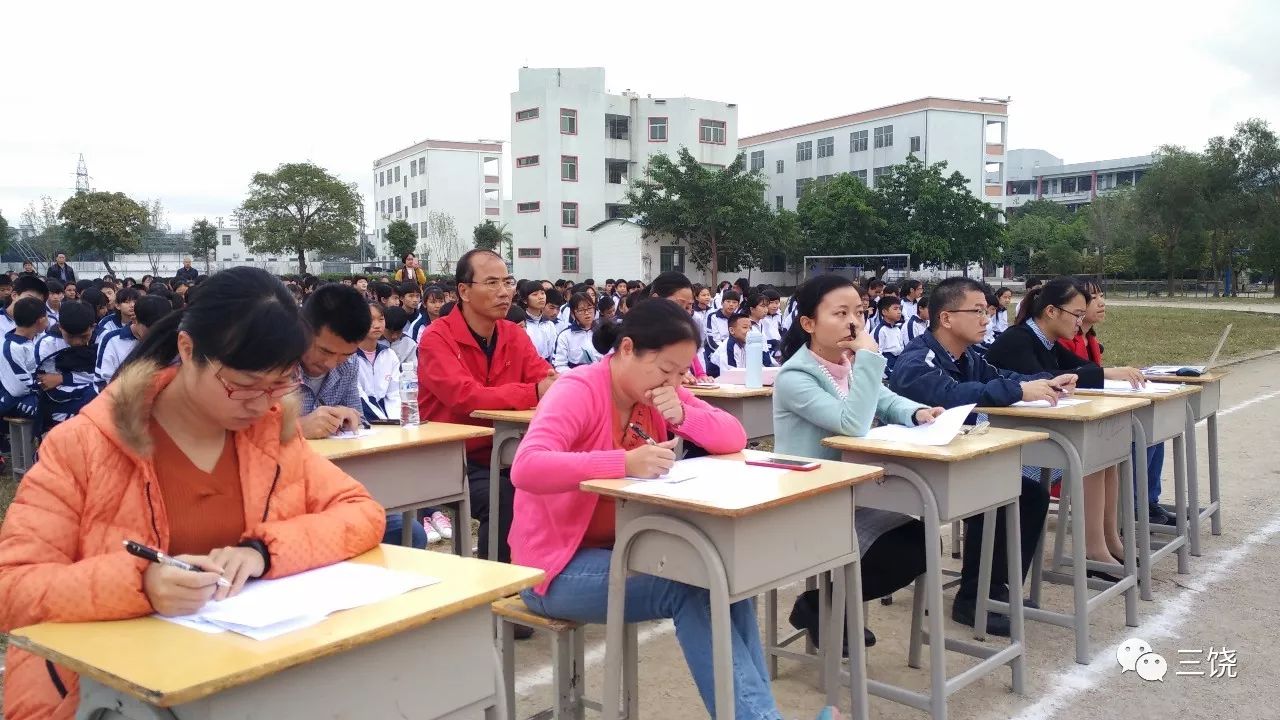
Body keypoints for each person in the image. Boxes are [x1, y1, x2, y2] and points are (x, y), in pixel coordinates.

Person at [0, 267, 385, 720]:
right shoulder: (88, 445)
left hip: (243, 681)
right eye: (242, 387)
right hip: (103, 696)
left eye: (280, 384)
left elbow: (361, 513)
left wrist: (263, 551)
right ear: (188, 349)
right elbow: (13, 588)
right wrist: (140, 584)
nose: (264, 404)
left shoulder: (270, 435)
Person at [511, 298, 838, 720]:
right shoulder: (578, 390)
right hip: (552, 568)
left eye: (682, 373)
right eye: (667, 370)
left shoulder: (655, 391)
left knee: (724, 576)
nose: (674, 380)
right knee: (689, 585)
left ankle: (759, 715)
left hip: (620, 548)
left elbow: (733, 435)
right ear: (627, 349)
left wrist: (683, 411)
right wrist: (622, 463)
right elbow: (527, 465)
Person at [889, 277, 1075, 633]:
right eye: (976, 311)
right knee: (1000, 496)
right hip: (916, 467)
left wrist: (1047, 381)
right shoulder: (917, 360)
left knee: (1028, 491)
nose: (986, 319)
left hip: (958, 458)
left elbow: (998, 375)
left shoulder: (969, 356)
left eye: (987, 311)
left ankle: (996, 589)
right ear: (946, 318)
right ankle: (974, 598)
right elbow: (955, 393)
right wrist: (1020, 388)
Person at [772, 274, 942, 651]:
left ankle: (822, 605)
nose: (854, 322)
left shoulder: (847, 363)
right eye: (841, 313)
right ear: (809, 324)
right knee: (903, 550)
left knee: (924, 540)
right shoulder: (795, 377)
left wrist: (919, 413)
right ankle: (825, 606)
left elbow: (885, 399)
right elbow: (852, 423)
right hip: (811, 497)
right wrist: (869, 357)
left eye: (860, 313)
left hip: (853, 492)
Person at [985, 276, 1147, 578]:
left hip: (1032, 432)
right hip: (1007, 439)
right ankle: (1094, 548)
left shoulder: (1047, 341)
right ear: (1051, 311)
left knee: (1105, 455)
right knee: (1089, 457)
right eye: (1076, 314)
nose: (1080, 321)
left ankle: (1109, 539)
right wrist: (1102, 374)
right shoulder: (1019, 339)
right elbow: (1048, 376)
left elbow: (1078, 369)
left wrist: (1111, 373)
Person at [418, 249, 557, 563]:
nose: (504, 292)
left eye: (507, 282)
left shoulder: (512, 334)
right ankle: (498, 584)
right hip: (455, 458)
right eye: (492, 283)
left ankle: (544, 574)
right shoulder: (436, 338)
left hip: (508, 451)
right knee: (504, 497)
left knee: (558, 485)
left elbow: (544, 376)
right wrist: (534, 392)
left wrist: (551, 386)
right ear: (464, 291)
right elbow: (464, 396)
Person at [1058, 279, 1174, 527]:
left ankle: (1147, 501)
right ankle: (1131, 505)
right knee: (1135, 437)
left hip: (1094, 413)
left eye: (1102, 296)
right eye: (1093, 298)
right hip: (1077, 428)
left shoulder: (1090, 339)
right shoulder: (1068, 341)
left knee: (1154, 432)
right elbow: (1079, 380)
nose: (1101, 303)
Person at [297, 284, 368, 440]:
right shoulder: (275, 363)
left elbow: (359, 422)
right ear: (302, 329)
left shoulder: (349, 364)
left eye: (345, 354)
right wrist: (298, 428)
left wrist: (346, 417)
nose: (331, 364)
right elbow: (247, 431)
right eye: (325, 351)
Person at [34, 300, 99, 428]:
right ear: (60, 327)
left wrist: (65, 378)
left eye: (83, 336)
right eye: (69, 336)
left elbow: (108, 377)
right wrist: (91, 382)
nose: (76, 342)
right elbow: (48, 384)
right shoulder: (48, 344)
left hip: (96, 401)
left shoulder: (103, 339)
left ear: (93, 327)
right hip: (60, 405)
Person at [94, 295, 170, 388]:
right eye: (151, 329)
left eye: (161, 330)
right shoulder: (112, 340)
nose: (156, 335)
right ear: (134, 319)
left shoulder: (171, 338)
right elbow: (101, 382)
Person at [0, 298, 51, 420]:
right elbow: (19, 388)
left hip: (33, 392)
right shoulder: (12, 347)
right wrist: (46, 382)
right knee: (53, 411)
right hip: (13, 399)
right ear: (41, 320)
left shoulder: (38, 338)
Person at [354, 303, 401, 423]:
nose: (377, 325)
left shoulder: (389, 355)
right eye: (370, 320)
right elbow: (359, 397)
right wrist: (384, 422)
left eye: (381, 319)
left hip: (390, 422)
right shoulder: (349, 357)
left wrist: (395, 421)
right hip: (363, 420)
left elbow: (394, 394)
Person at [706, 312, 774, 378]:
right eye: (745, 327)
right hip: (717, 384)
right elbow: (731, 376)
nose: (749, 331)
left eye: (750, 328)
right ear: (732, 331)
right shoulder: (729, 346)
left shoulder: (747, 344)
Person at [553, 292, 600, 373]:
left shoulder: (602, 332)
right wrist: (576, 375)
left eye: (589, 308)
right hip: (576, 379)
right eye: (581, 310)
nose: (587, 313)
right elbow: (559, 365)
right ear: (572, 314)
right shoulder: (565, 336)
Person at [520, 281, 557, 362]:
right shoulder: (521, 324)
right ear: (525, 300)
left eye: (543, 293)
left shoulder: (549, 324)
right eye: (535, 294)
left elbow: (553, 352)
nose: (541, 297)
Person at [871, 294, 906, 375]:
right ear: (884, 312)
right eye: (895, 309)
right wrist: (888, 373)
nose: (899, 312)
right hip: (887, 368)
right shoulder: (880, 330)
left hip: (898, 364)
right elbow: (877, 354)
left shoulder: (897, 329)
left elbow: (902, 348)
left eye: (900, 308)